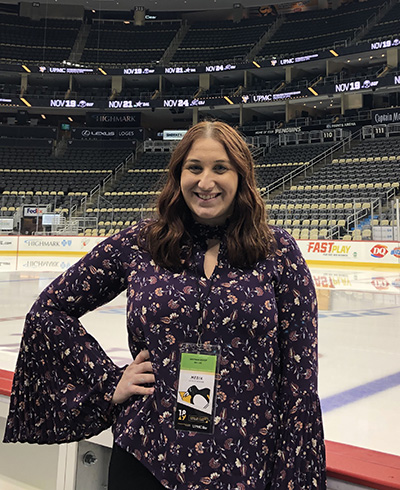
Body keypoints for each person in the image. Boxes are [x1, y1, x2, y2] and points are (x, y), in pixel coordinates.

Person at [3, 120, 326, 490]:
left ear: (241, 175)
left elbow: (300, 375)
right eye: (195, 168)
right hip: (146, 454)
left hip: (244, 459)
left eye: (220, 168)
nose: (206, 182)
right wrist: (108, 381)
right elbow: (50, 309)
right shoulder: (141, 243)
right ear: (178, 175)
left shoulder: (278, 251)